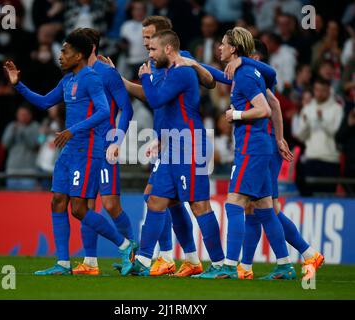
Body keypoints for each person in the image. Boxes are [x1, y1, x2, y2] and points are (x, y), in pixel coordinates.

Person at [4, 30, 135, 275]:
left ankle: (126, 245)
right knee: (57, 202)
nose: (60, 55)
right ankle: (63, 263)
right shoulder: (68, 81)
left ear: (80, 54)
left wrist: (72, 130)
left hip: (88, 150)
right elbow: (44, 102)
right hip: (69, 151)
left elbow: (104, 112)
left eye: (65, 51)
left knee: (79, 208)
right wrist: (17, 84)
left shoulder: (93, 78)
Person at [126, 30, 225, 278]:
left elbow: (157, 99)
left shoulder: (182, 72)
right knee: (156, 201)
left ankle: (221, 265)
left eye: (153, 50)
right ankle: (143, 259)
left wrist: (146, 78)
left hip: (190, 145)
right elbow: (167, 109)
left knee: (199, 204)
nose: (149, 54)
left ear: (168, 49)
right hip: (171, 146)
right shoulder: (170, 72)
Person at [225, 40, 324, 281]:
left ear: (254, 58)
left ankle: (303, 254)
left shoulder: (252, 75)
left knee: (265, 209)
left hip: (263, 149)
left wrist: (279, 139)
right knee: (259, 208)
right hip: (265, 146)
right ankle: (251, 266)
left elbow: (275, 105)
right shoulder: (250, 75)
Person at [221, 27, 296, 280]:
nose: (219, 48)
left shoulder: (243, 74)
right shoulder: (247, 71)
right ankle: (285, 265)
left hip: (251, 147)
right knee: (265, 208)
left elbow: (264, 109)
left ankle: (230, 266)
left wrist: (236, 115)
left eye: (223, 44)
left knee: (234, 204)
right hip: (260, 145)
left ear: (233, 48)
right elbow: (270, 86)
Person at [71, 27, 135, 276]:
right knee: (85, 205)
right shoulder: (76, 74)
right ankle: (90, 262)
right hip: (83, 149)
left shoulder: (107, 73)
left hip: (104, 145)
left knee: (109, 203)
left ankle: (134, 252)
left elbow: (126, 109)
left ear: (91, 48)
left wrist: (116, 141)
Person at [2, 104, 39, 190]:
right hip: (12, 170)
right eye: (20, 114)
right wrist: (13, 132)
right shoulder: (11, 126)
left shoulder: (35, 127)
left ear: (30, 115)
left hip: (28, 172)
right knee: (11, 200)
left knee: (27, 200)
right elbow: (5, 144)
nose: (21, 117)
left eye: (24, 115)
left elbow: (34, 145)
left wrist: (23, 132)